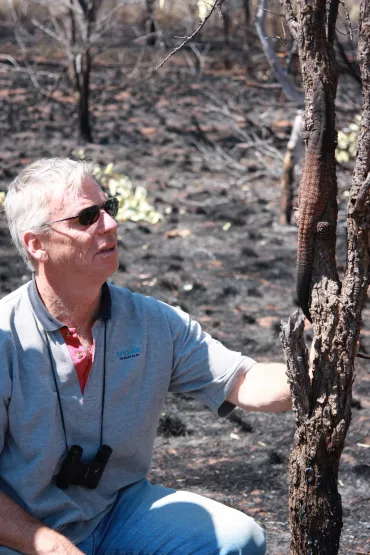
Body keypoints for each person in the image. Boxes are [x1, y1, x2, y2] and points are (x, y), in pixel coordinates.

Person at [0, 158, 291, 555]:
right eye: (87, 217)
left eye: (109, 208)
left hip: (113, 512)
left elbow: (244, 382)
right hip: (19, 530)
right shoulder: (5, 337)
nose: (110, 224)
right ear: (37, 244)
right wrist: (50, 546)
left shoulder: (153, 322)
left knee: (237, 542)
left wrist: (318, 367)